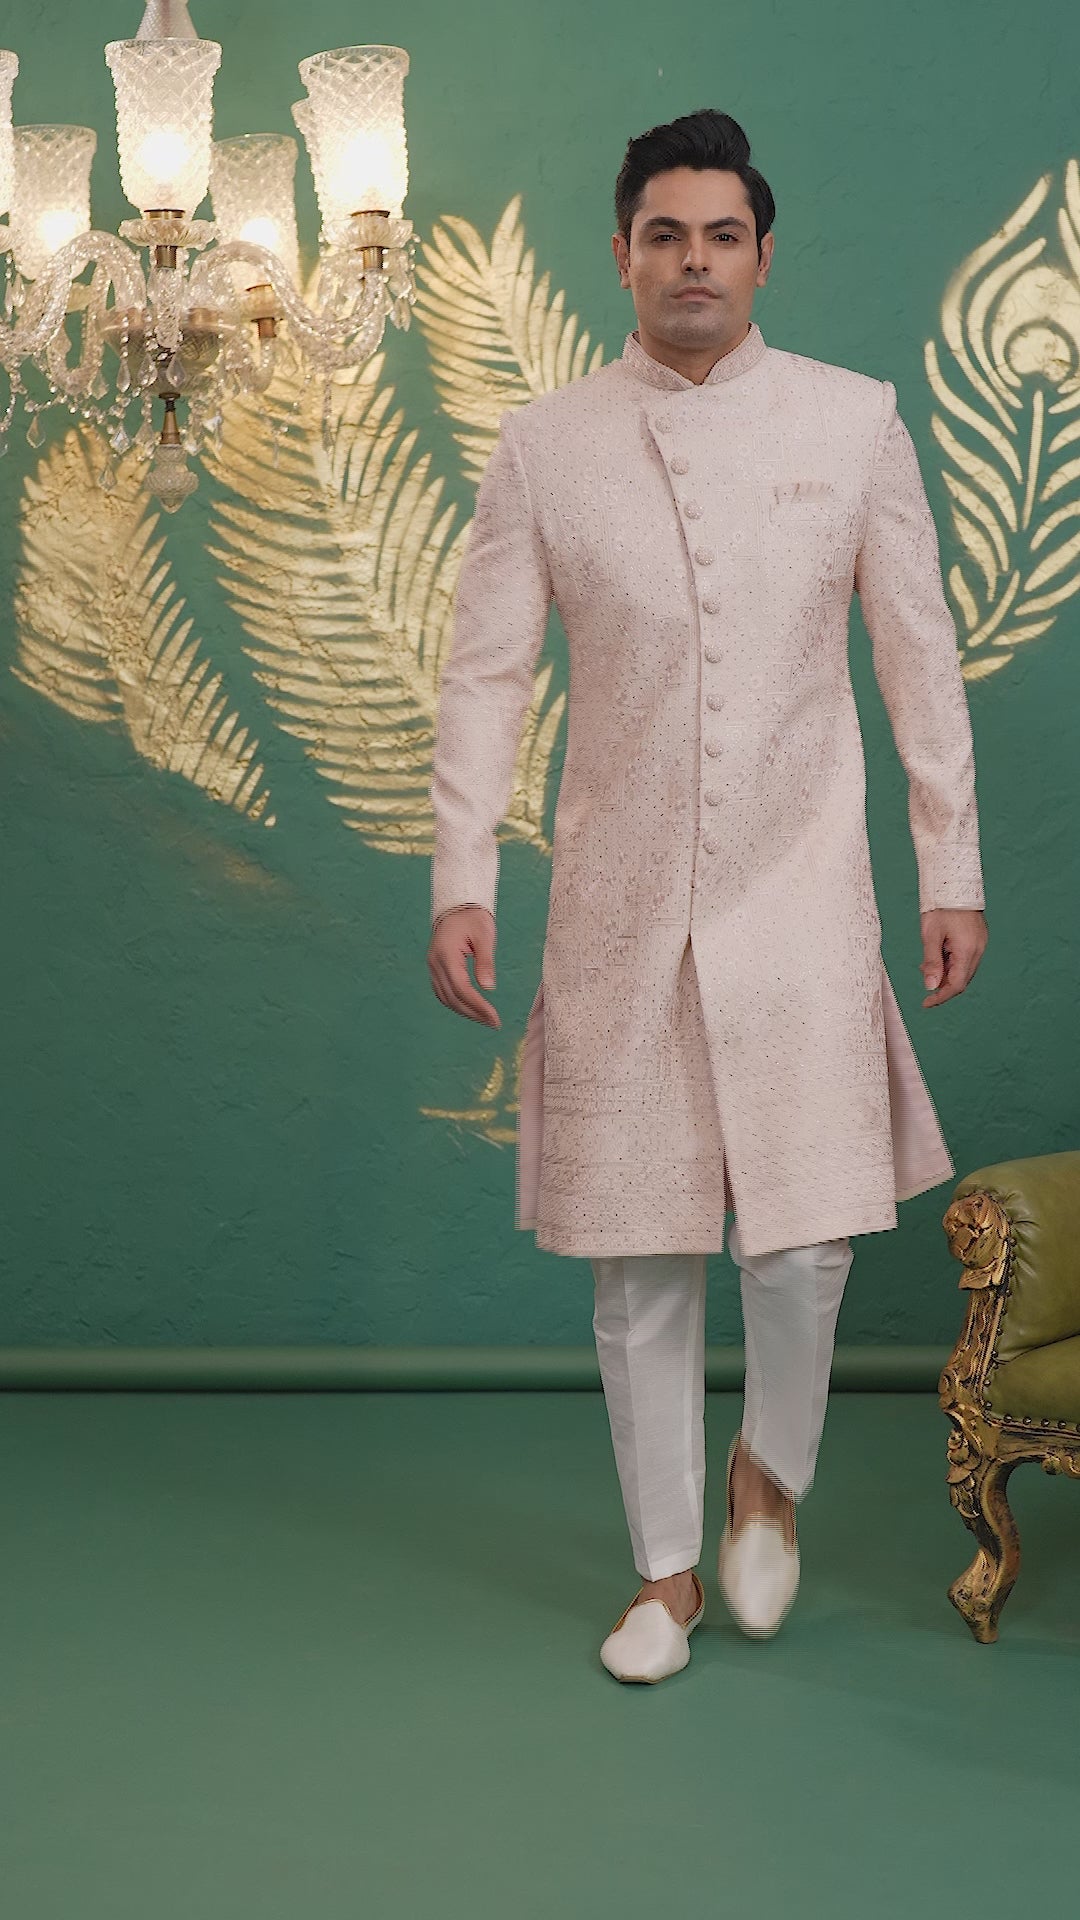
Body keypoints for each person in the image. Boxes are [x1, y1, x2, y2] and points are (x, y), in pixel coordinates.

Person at [426, 108, 988, 1683]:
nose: (693, 261)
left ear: (762, 256)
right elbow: (484, 674)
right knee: (644, 1253)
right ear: (622, 255)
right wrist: (462, 877)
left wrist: (951, 866)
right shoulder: (546, 443)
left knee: (805, 1243)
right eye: (664, 235)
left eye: (721, 236)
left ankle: (771, 1478)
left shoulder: (854, 422)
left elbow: (919, 658)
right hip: (620, 898)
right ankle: (664, 1577)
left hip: (803, 887)